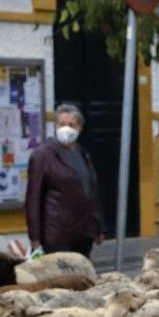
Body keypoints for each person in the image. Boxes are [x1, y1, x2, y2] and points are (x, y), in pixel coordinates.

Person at [25, 102, 104, 258]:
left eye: (71, 124)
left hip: (83, 233)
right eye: (61, 124)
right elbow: (33, 198)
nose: (66, 128)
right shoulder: (43, 155)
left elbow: (91, 193)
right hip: (57, 234)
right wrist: (35, 237)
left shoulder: (83, 154)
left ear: (80, 128)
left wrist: (98, 227)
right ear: (55, 126)